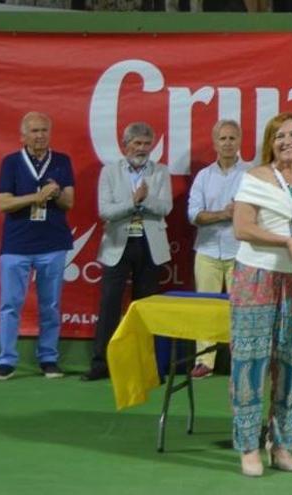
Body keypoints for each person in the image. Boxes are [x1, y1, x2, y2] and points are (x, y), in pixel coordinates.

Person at [229, 112, 292, 477]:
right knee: (250, 363)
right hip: (256, 275)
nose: (287, 142)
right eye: (279, 136)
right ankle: (248, 446)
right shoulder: (254, 177)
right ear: (270, 142)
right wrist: (285, 240)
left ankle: (280, 443)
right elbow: (242, 227)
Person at [82, 122, 172, 381]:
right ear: (125, 145)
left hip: (149, 245)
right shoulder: (110, 172)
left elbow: (165, 207)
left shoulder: (160, 172)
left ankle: (147, 366)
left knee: (145, 308)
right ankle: (101, 365)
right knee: (109, 305)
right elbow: (105, 211)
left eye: (147, 144)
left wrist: (146, 200)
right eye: (137, 144)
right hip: (117, 245)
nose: (142, 149)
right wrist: (132, 202)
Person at [0, 111, 75, 381]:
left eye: (44, 131)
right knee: (10, 305)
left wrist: (56, 192)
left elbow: (69, 203)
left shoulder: (61, 161)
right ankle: (6, 360)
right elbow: (4, 203)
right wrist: (36, 197)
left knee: (50, 305)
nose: (40, 136)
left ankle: (48, 358)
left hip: (52, 242)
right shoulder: (11, 163)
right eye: (35, 131)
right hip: (16, 244)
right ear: (23, 135)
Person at [187, 119, 250, 379]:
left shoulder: (250, 175)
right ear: (215, 143)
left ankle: (244, 360)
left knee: (242, 309)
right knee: (206, 308)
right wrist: (224, 214)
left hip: (240, 251)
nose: (227, 143)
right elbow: (193, 215)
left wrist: (234, 215)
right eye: (222, 139)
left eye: (232, 138)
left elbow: (254, 213)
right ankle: (205, 361)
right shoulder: (204, 176)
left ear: (239, 142)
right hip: (208, 251)